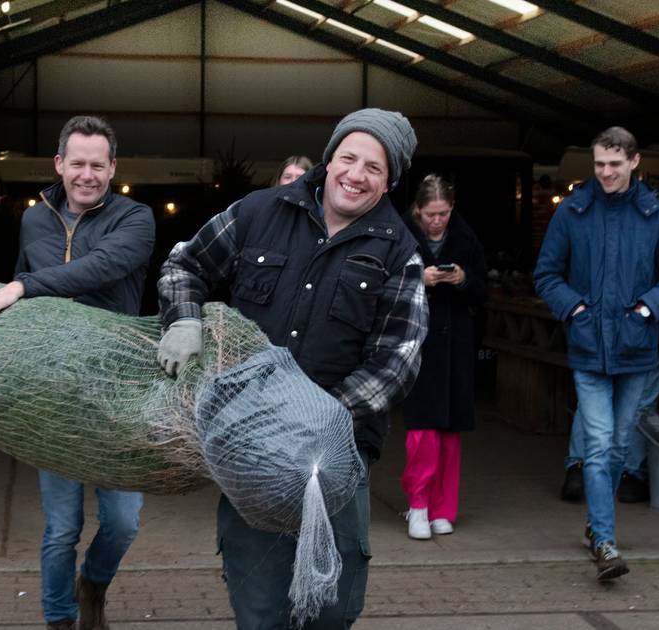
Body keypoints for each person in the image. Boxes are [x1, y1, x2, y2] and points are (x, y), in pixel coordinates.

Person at [156, 108, 427, 628]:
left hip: (337, 460)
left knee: (331, 609)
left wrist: (318, 418)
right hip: (252, 448)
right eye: (349, 157)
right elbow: (184, 265)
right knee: (259, 608)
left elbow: (397, 362)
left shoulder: (400, 252)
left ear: (389, 181)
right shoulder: (259, 212)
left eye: (374, 167)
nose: (356, 173)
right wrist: (183, 321)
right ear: (329, 159)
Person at [0, 115, 155, 630]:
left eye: (98, 165)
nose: (87, 174)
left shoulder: (134, 219)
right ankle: (59, 619)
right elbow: (22, 295)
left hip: (116, 391)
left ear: (112, 167)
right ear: (60, 163)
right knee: (61, 528)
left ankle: (92, 585)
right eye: (77, 163)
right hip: (52, 395)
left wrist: (22, 286)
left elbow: (98, 268)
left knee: (123, 522)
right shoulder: (35, 219)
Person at [534, 127, 659, 581]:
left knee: (620, 446)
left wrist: (646, 310)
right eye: (599, 163)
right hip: (588, 348)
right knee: (599, 445)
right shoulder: (575, 210)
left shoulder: (655, 214)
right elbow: (546, 274)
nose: (604, 172)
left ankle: (596, 522)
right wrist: (576, 309)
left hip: (636, 348)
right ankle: (605, 543)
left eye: (614, 164)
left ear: (634, 162)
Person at [559, 179, 659, 505]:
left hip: (607, 333)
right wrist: (646, 312)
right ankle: (629, 474)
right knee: (639, 406)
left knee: (596, 406)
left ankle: (580, 468)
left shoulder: (623, 226)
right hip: (642, 337)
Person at [399, 174, 488, 540]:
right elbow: (384, 287)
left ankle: (442, 510)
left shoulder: (467, 239)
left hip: (457, 346)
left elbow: (484, 292)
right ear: (418, 210)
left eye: (444, 213)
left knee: (451, 432)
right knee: (422, 431)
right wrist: (421, 279)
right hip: (420, 344)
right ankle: (417, 505)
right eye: (431, 214)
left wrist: (464, 279)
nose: (437, 220)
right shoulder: (402, 238)